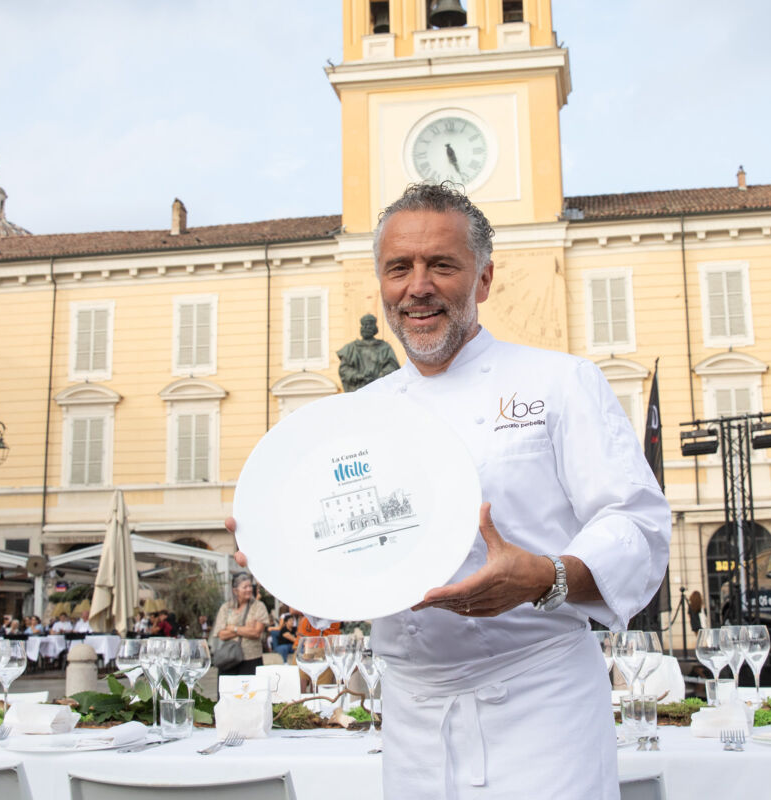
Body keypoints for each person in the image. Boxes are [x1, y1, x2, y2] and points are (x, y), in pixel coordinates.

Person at [225, 183, 671, 799]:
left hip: (544, 706)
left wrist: (544, 575)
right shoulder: (357, 415)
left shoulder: (561, 382)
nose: (418, 286)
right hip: (410, 717)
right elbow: (346, 573)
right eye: (398, 268)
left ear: (483, 279)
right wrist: (285, 556)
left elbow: (637, 528)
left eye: (442, 265)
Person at [211, 573, 269, 676]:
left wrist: (232, 628)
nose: (249, 589)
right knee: (228, 691)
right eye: (245, 587)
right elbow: (221, 634)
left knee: (251, 691)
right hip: (229, 658)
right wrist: (246, 629)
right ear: (235, 590)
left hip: (252, 659)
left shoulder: (258, 606)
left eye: (250, 586)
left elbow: (256, 633)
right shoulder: (226, 607)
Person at [337, 312, 401, 391]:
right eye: (364, 325)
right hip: (358, 389)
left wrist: (378, 377)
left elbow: (392, 367)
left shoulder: (384, 347)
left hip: (379, 390)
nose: (366, 327)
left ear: (374, 328)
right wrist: (359, 376)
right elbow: (344, 369)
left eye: (369, 325)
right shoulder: (351, 348)